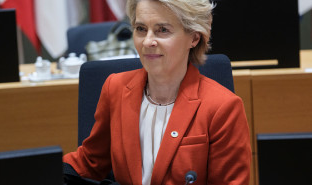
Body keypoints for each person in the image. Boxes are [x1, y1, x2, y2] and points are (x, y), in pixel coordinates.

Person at [63, 0, 251, 184]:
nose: (147, 41)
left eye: (163, 30)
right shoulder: (116, 89)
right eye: (141, 29)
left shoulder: (223, 107)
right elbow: (90, 162)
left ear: (194, 38)